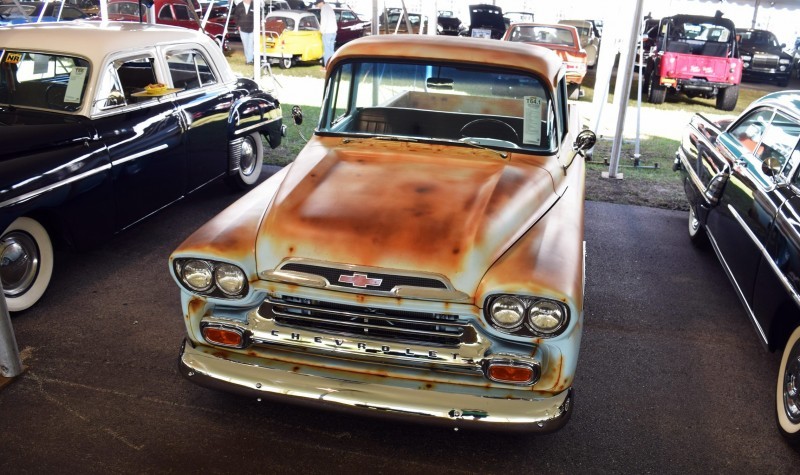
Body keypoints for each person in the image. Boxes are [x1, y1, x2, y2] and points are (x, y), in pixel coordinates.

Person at [232, 0, 255, 65]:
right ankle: (249, 59)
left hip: (252, 29)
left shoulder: (254, 5)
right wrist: (238, 26)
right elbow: (236, 16)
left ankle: (249, 60)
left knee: (250, 44)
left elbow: (258, 16)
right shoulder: (240, 6)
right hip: (242, 29)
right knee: (246, 45)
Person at [316, 0, 337, 69]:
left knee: (327, 50)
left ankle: (327, 67)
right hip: (333, 32)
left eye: (318, 4)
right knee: (331, 50)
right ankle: (332, 65)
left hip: (327, 32)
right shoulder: (329, 7)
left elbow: (324, 22)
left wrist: (321, 31)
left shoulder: (324, 9)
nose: (318, 6)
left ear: (321, 3)